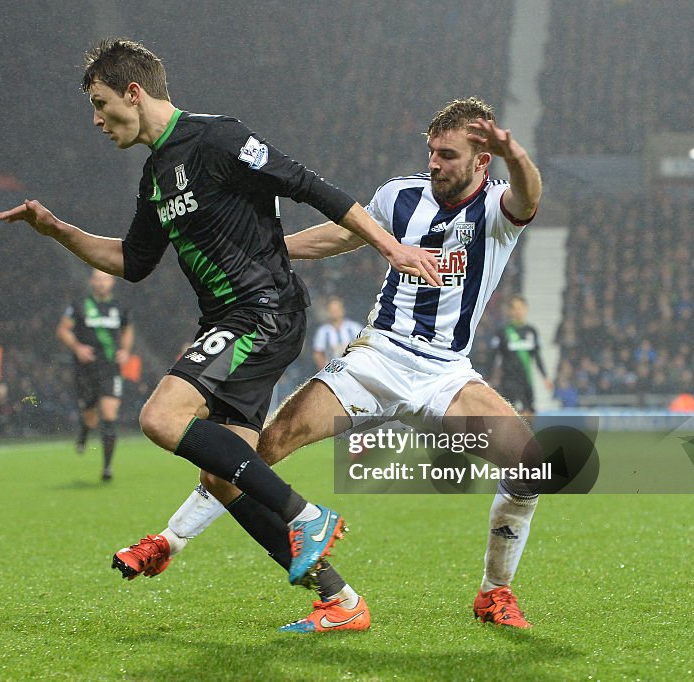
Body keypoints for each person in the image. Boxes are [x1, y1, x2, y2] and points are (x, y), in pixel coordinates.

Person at [0, 38, 443, 622]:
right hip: (236, 318)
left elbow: (312, 187)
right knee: (224, 475)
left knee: (160, 417)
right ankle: (341, 600)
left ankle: (307, 515)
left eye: (102, 103)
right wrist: (57, 229)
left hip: (263, 311)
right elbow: (132, 261)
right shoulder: (156, 174)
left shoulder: (218, 138)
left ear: (134, 92)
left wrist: (393, 249)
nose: (98, 120)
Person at [115, 98, 545, 632]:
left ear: (483, 160)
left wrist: (517, 155)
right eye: (432, 152)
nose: (435, 163)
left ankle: (494, 594)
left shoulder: (498, 209)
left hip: (446, 373)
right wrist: (267, 251)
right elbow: (340, 236)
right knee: (260, 451)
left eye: (448, 155)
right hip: (375, 358)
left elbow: (529, 196)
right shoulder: (399, 196)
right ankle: (170, 540)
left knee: (530, 468)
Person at [58, 269, 133, 481]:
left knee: (109, 415)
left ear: (111, 282)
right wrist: (77, 347)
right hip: (86, 369)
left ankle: (107, 468)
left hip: (110, 368)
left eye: (105, 279)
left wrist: (125, 350)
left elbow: (127, 329)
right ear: (92, 282)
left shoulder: (119, 307)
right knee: (89, 415)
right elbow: (63, 330)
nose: (101, 283)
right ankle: (84, 431)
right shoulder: (79, 305)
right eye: (98, 279)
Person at [491, 295, 552, 416]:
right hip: (508, 381)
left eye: (521, 308)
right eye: (515, 308)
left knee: (529, 413)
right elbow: (494, 356)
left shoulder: (531, 331)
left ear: (526, 309)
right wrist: (489, 377)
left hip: (526, 380)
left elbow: (537, 356)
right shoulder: (503, 330)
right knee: (509, 415)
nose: (518, 311)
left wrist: (545, 376)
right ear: (510, 311)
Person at [311, 295, 364, 370]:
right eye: (332, 310)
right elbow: (318, 354)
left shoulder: (354, 327)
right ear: (327, 312)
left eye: (337, 309)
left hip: (354, 369)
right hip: (332, 372)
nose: (335, 313)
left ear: (343, 310)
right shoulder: (323, 332)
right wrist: (326, 372)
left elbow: (365, 348)